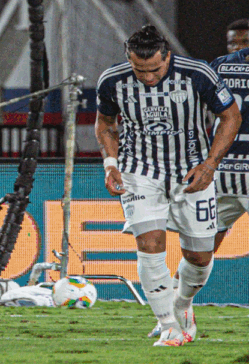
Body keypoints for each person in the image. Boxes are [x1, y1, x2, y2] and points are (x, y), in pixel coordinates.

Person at [96, 25, 241, 346]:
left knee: (200, 256)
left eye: (155, 69)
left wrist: (210, 165)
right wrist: (111, 164)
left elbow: (231, 115)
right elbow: (105, 123)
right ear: (128, 61)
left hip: (192, 173)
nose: (147, 77)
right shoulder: (112, 81)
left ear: (168, 57)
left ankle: (182, 306)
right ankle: (168, 326)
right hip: (139, 172)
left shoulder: (197, 73)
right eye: (139, 70)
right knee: (149, 245)